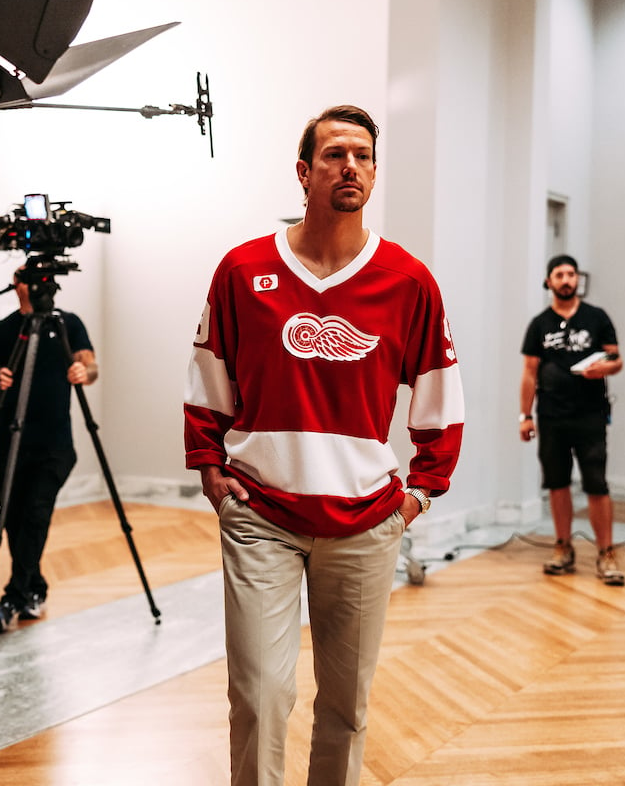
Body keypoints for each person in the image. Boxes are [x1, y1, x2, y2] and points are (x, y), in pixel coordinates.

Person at [184, 105, 463, 786]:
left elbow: (440, 394)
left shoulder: (408, 280)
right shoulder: (243, 271)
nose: (352, 167)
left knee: (346, 706)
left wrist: (422, 492)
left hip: (367, 522)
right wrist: (210, 467)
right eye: (336, 154)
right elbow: (207, 376)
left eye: (364, 156)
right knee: (259, 695)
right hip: (261, 517)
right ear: (305, 172)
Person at [0, 268, 97, 632]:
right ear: (19, 285)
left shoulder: (67, 324)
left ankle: (13, 596)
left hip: (54, 444)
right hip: (11, 441)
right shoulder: (4, 329)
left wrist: (84, 372)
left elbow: (90, 366)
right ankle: (35, 587)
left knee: (35, 514)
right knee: (13, 519)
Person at [519, 254, 624, 585]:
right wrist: (525, 415)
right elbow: (529, 372)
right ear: (549, 281)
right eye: (560, 274)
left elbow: (616, 359)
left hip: (590, 416)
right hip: (551, 417)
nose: (567, 279)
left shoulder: (597, 317)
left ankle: (606, 552)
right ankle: (562, 547)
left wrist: (604, 368)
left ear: (578, 279)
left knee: (597, 484)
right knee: (557, 483)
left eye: (572, 274)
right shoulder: (539, 324)